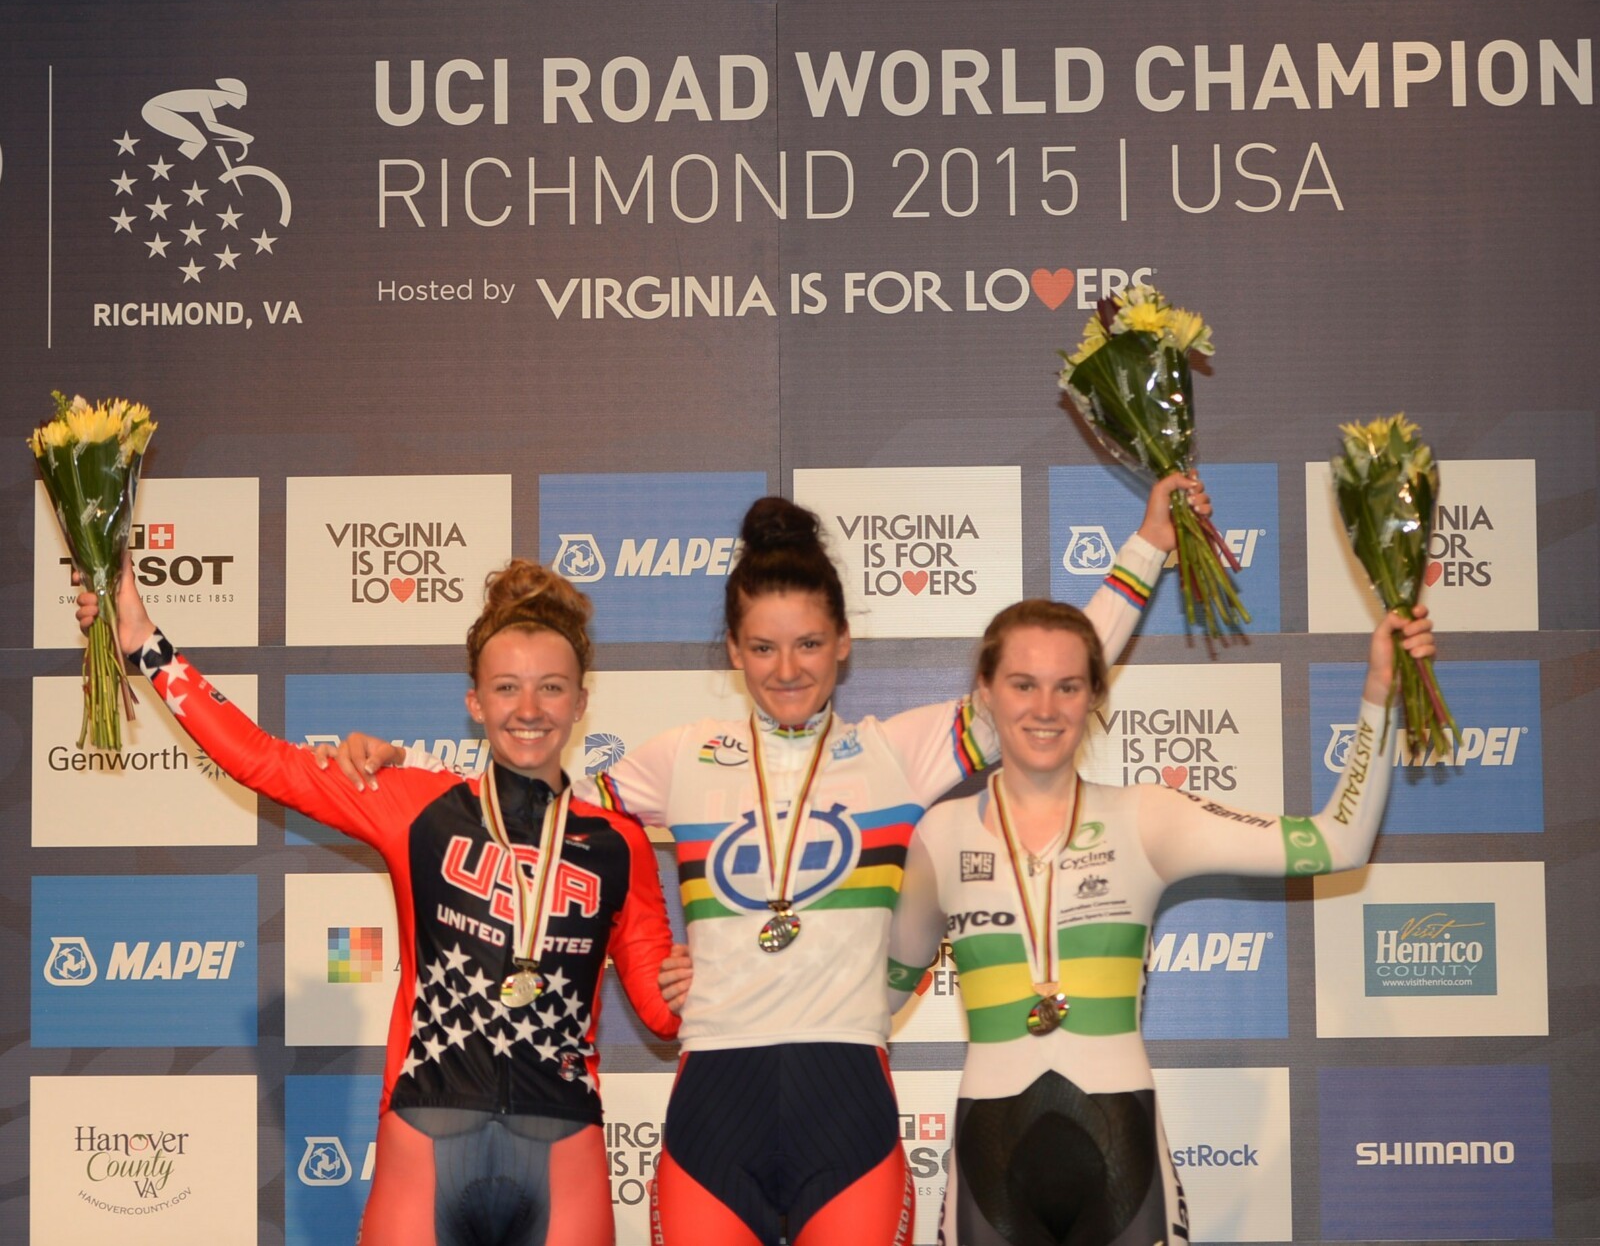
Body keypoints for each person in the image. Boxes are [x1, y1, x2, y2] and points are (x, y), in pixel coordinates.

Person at [335, 476, 1206, 1246]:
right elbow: (530, 780)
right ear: (733, 651)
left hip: (847, 1098)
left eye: (809, 644)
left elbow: (1048, 667)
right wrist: (399, 775)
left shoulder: (898, 753)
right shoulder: (680, 758)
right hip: (716, 1100)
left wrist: (1149, 545)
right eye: (762, 647)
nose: (786, 669)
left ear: (843, 644)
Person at [77, 558, 685, 1246]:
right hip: (425, 1134)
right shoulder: (413, 803)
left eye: (551, 688)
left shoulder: (620, 843)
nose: (529, 710)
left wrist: (701, 980)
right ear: (475, 702)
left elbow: (663, 1017)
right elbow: (259, 759)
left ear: (580, 701)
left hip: (563, 1142)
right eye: (506, 687)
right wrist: (143, 642)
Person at [885, 598, 1435, 1246]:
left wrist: (1379, 694)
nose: (1045, 708)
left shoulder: (1146, 818)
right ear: (985, 690)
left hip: (1121, 1143)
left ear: (1094, 693)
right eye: (1023, 684)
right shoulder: (937, 836)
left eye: (1068, 686)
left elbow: (1336, 843)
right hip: (989, 1155)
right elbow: (875, 1003)